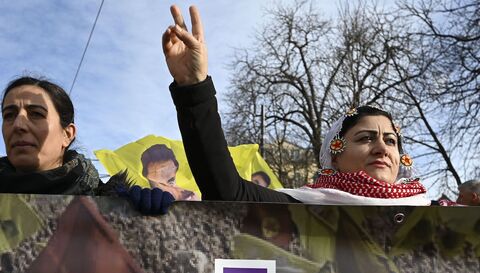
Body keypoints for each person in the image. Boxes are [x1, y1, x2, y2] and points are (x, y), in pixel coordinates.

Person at [162, 5, 430, 206]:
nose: (383, 148)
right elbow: (226, 191)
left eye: (391, 141)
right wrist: (194, 87)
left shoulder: (438, 215)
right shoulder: (302, 208)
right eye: (366, 138)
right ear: (334, 154)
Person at [1, 76, 174, 213]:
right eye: (9, 115)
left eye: (36, 114)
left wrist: (151, 221)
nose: (18, 125)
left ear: (67, 134)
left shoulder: (115, 205)